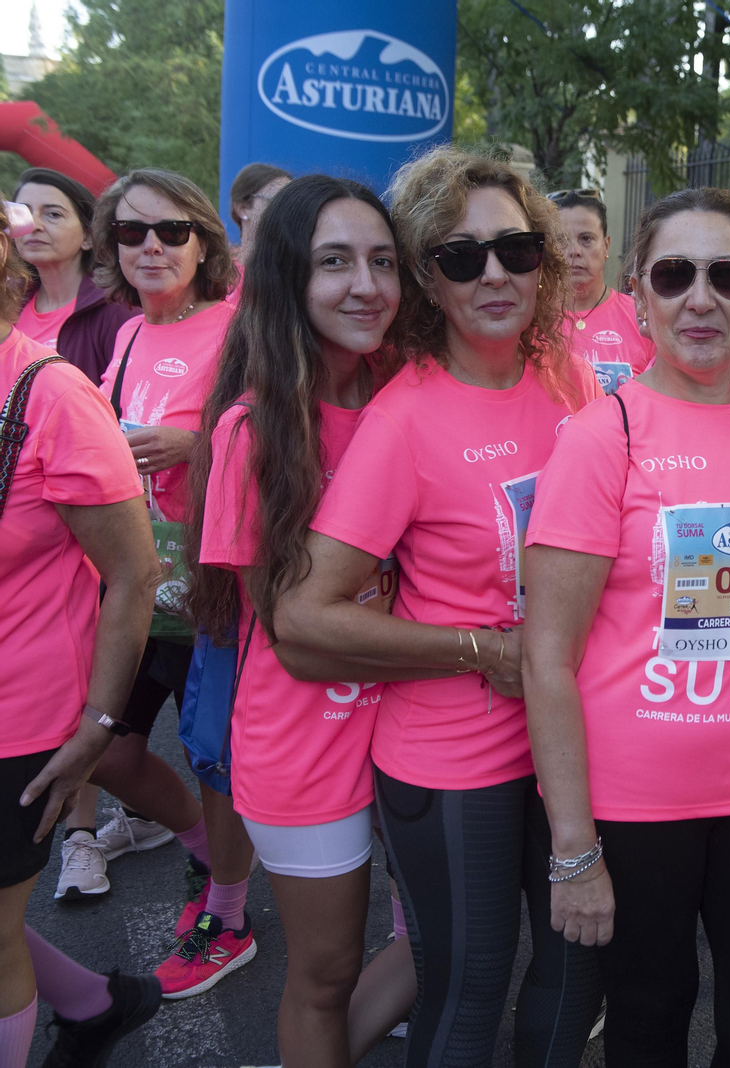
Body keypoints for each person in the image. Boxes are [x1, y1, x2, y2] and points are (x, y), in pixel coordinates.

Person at [275, 146, 605, 1067]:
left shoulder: (565, 381)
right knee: (464, 997)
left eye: (517, 249)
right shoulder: (405, 418)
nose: (495, 273)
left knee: (576, 976)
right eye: (462, 257)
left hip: (569, 739)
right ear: (427, 277)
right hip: (456, 757)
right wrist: (480, 651)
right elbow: (303, 616)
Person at [523, 186, 730, 1064]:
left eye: (726, 275)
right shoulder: (601, 436)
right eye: (675, 275)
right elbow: (546, 660)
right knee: (649, 1020)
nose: (700, 298)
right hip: (637, 803)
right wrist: (573, 849)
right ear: (640, 291)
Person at [185, 175, 419, 1066]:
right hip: (306, 745)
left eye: (382, 261)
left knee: (451, 944)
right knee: (322, 976)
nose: (366, 284)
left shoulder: (410, 395)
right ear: (287, 276)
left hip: (418, 729)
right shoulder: (256, 430)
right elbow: (299, 640)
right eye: (334, 262)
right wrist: (480, 650)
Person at [0, 198, 164, 1068]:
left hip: (23, 721)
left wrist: (99, 727)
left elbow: (136, 574)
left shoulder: (48, 391)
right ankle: (97, 1003)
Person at [69, 171, 238, 943]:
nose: (151, 246)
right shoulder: (130, 330)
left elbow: (295, 439)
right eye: (131, 233)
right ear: (111, 246)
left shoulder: (239, 324)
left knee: (214, 763)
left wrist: (195, 445)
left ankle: (226, 907)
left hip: (212, 580)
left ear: (202, 242)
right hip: (135, 582)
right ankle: (203, 854)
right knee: (103, 747)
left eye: (171, 231)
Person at [12, 168, 137, 379]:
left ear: (89, 236)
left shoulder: (116, 309)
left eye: (53, 214)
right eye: (23, 214)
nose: (34, 226)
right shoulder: (10, 304)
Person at [549, 188, 653, 387]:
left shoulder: (641, 316)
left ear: (606, 245)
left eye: (586, 239)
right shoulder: (532, 322)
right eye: (562, 241)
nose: (574, 251)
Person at [228, 163, 291, 264]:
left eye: (290, 201)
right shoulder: (218, 273)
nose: (286, 209)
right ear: (242, 209)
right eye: (275, 200)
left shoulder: (299, 268)